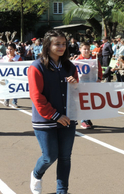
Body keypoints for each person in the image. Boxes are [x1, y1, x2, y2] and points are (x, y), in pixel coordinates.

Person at [28, 29, 78, 194]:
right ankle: (36, 174)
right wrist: (55, 115)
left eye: (63, 44)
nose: (61, 47)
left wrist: (75, 83)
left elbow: (78, 91)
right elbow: (37, 97)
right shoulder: (37, 67)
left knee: (65, 157)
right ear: (47, 45)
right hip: (45, 120)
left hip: (68, 118)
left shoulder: (69, 66)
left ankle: (62, 191)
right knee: (50, 156)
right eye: (57, 44)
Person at [75, 42, 102, 129]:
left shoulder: (94, 59)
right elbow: (74, 73)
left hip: (92, 83)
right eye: (84, 49)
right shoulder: (77, 60)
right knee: (83, 102)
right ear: (80, 50)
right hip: (82, 84)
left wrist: (99, 78)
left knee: (91, 102)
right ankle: (84, 120)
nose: (86, 51)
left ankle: (87, 118)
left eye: (88, 49)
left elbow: (99, 70)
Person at [3, 43, 23, 108]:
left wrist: (13, 63)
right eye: (8, 49)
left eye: (11, 49)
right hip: (7, 76)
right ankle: (6, 99)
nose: (9, 51)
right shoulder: (4, 58)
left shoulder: (18, 57)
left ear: (15, 50)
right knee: (7, 88)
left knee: (16, 89)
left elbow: (22, 66)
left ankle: (14, 102)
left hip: (15, 76)